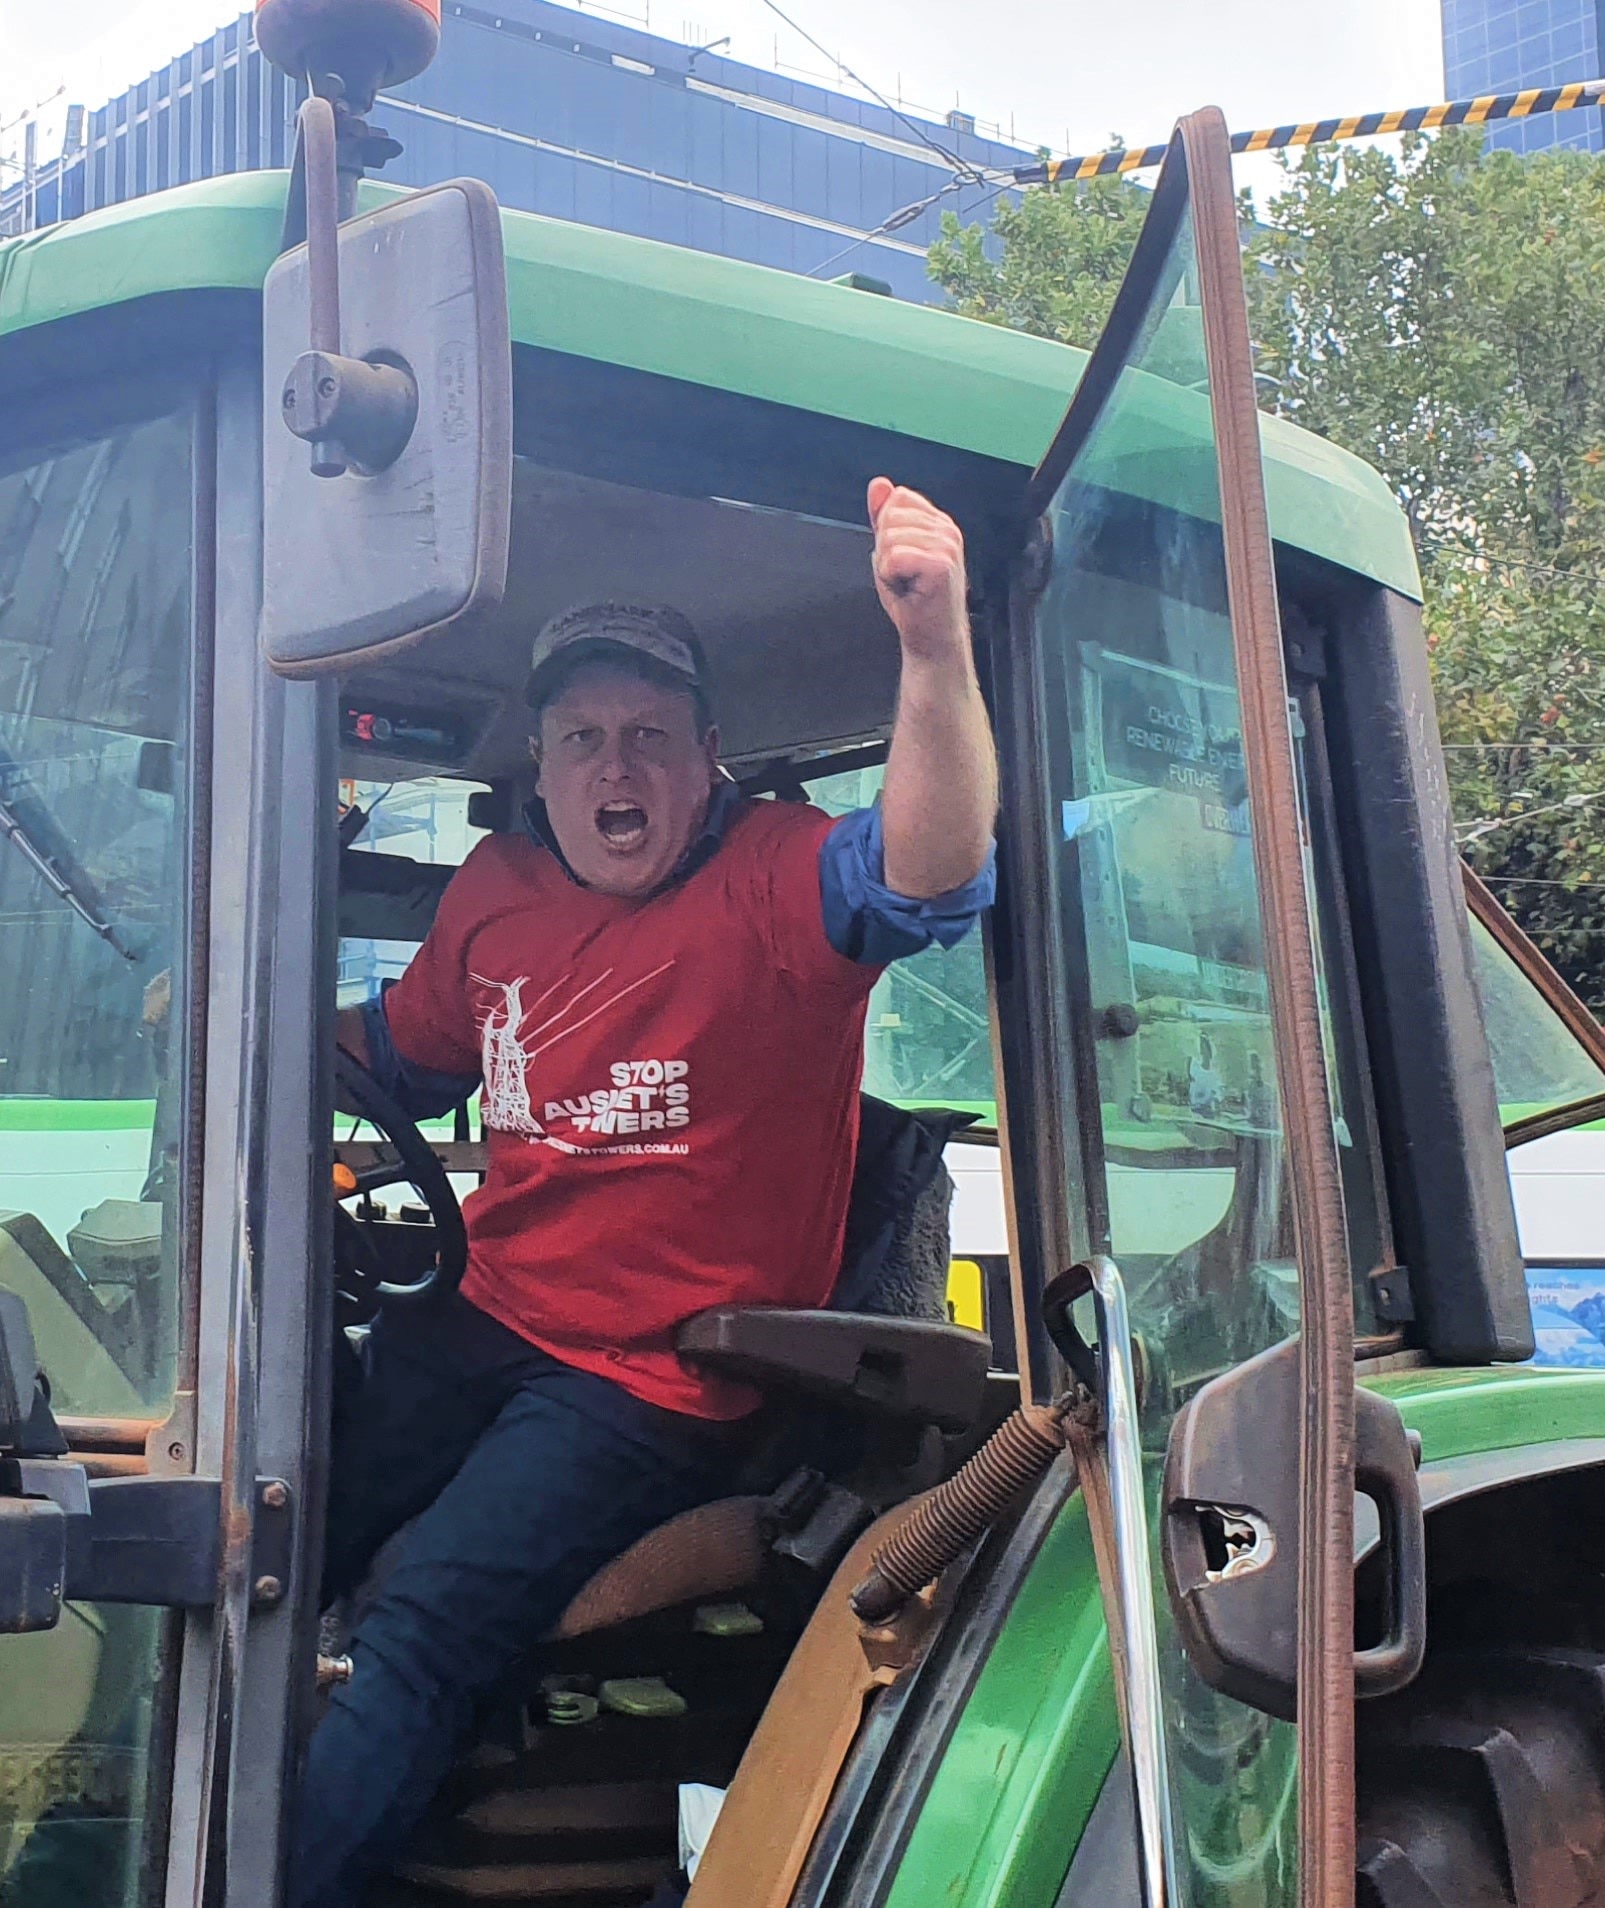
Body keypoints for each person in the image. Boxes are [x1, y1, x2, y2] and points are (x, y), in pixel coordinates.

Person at [294, 480, 999, 1905]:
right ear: (543, 771)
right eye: (582, 742)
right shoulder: (494, 891)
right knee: (276, 1524)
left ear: (706, 762)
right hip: (480, 1314)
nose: (616, 769)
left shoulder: (779, 881)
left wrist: (935, 653)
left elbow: (928, 873)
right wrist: (232, 1031)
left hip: (651, 1376)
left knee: (426, 1618)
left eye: (648, 740)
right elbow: (408, 1060)